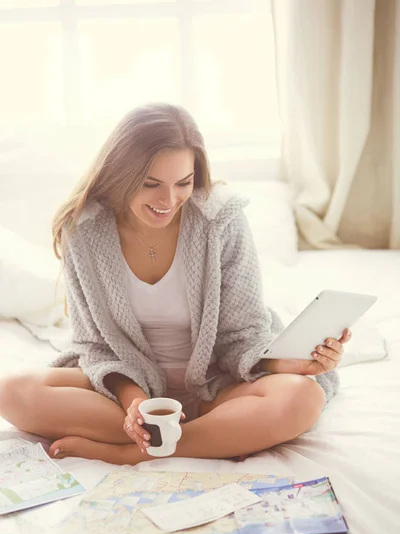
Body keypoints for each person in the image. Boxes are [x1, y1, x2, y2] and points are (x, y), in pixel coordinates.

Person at [0, 103, 351, 465]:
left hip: (218, 388)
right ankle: (209, 434)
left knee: (301, 397)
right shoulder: (85, 231)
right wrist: (137, 404)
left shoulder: (220, 221)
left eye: (183, 183)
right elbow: (97, 347)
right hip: (125, 398)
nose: (168, 201)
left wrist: (287, 365)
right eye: (151, 184)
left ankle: (132, 453)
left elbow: (242, 334)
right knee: (11, 392)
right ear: (121, 174)